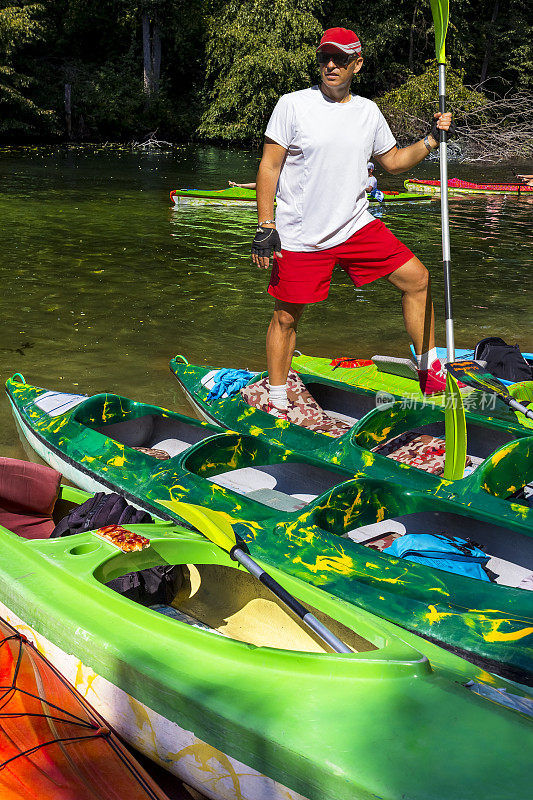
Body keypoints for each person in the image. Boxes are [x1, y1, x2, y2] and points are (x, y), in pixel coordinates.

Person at [251, 27, 456, 418]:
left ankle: (430, 372)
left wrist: (430, 140)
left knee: (418, 279)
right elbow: (270, 165)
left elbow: (393, 162)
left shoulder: (367, 112)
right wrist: (265, 225)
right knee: (285, 316)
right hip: (301, 232)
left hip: (354, 225)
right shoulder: (292, 105)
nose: (331, 65)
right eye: (325, 57)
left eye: (341, 59)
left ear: (356, 64)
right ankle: (276, 399)